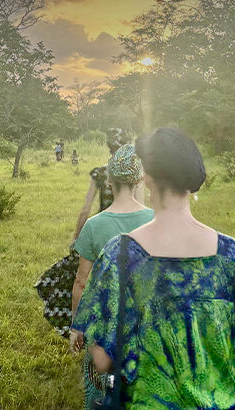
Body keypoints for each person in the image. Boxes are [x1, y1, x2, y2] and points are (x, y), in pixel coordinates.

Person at [72, 127, 235, 409]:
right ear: (190, 182)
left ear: (148, 178)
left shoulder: (120, 255)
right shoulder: (232, 254)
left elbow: (103, 361)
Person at [69, 144, 153, 410]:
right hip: (146, 324)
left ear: (108, 181)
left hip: (103, 325)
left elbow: (81, 281)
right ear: (139, 179)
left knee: (100, 393)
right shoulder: (155, 219)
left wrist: (76, 327)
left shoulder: (95, 225)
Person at [72, 127, 133, 240]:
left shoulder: (100, 172)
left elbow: (86, 210)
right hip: (128, 232)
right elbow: (140, 204)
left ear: (109, 147)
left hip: (103, 229)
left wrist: (76, 238)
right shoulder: (133, 174)